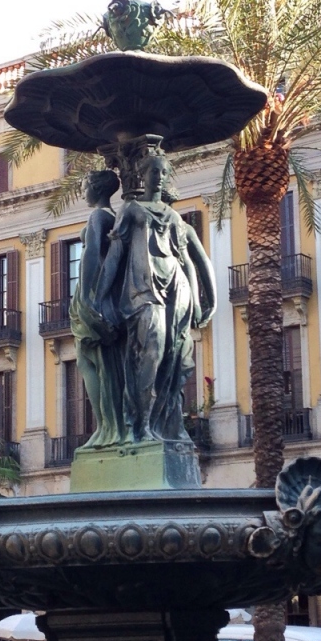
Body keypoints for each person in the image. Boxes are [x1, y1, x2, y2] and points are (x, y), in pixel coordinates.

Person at [93, 152, 216, 444]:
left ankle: (167, 424)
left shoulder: (174, 217)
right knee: (151, 352)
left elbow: (188, 261)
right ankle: (141, 426)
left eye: (163, 172)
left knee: (176, 358)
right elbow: (115, 255)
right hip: (143, 291)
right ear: (143, 175)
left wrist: (203, 299)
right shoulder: (131, 210)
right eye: (154, 172)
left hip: (176, 288)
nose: (159, 177)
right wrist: (99, 297)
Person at [70, 169, 126, 447]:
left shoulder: (98, 217)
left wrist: (86, 299)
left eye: (84, 187)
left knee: (90, 362)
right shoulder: (114, 218)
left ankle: (105, 426)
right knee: (105, 365)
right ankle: (109, 425)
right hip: (108, 294)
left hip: (94, 293)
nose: (83, 192)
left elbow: (91, 253)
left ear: (97, 188)